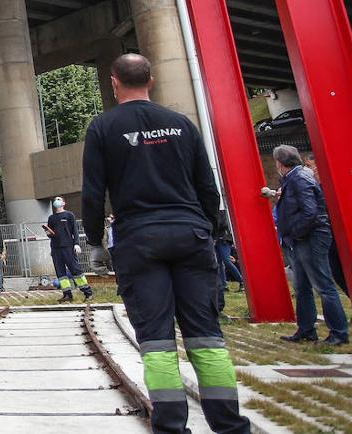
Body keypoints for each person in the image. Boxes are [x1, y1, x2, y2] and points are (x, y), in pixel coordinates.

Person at [83, 53, 249, 434]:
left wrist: (94, 243)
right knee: (206, 336)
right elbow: (207, 184)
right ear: (151, 81)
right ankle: (230, 426)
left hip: (140, 241)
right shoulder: (181, 124)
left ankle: (172, 427)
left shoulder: (103, 127)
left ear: (113, 82)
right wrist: (212, 228)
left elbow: (94, 193)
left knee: (156, 341)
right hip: (190, 235)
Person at [272, 145, 349, 345]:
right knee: (302, 286)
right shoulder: (294, 178)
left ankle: (338, 333)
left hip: (310, 237)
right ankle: (306, 329)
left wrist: (295, 232)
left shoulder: (299, 178)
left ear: (280, 163)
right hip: (301, 238)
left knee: (323, 285)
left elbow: (310, 211)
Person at [303, 153, 350, 298]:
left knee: (346, 269)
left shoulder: (331, 186)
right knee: (336, 271)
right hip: (326, 235)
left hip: (340, 233)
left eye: (309, 166)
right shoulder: (315, 187)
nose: (307, 169)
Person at [45, 196, 93, 302]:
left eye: (58, 200)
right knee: (60, 273)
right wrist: (48, 233)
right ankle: (67, 294)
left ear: (63, 203)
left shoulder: (69, 215)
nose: (56, 201)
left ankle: (88, 292)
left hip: (68, 247)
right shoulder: (51, 218)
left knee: (75, 270)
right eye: (55, 200)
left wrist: (76, 244)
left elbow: (75, 231)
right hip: (56, 248)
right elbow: (51, 234)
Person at [215, 227, 245, 312]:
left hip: (224, 238)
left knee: (226, 261)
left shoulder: (220, 213)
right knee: (218, 263)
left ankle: (242, 281)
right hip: (217, 239)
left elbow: (221, 223)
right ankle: (224, 285)